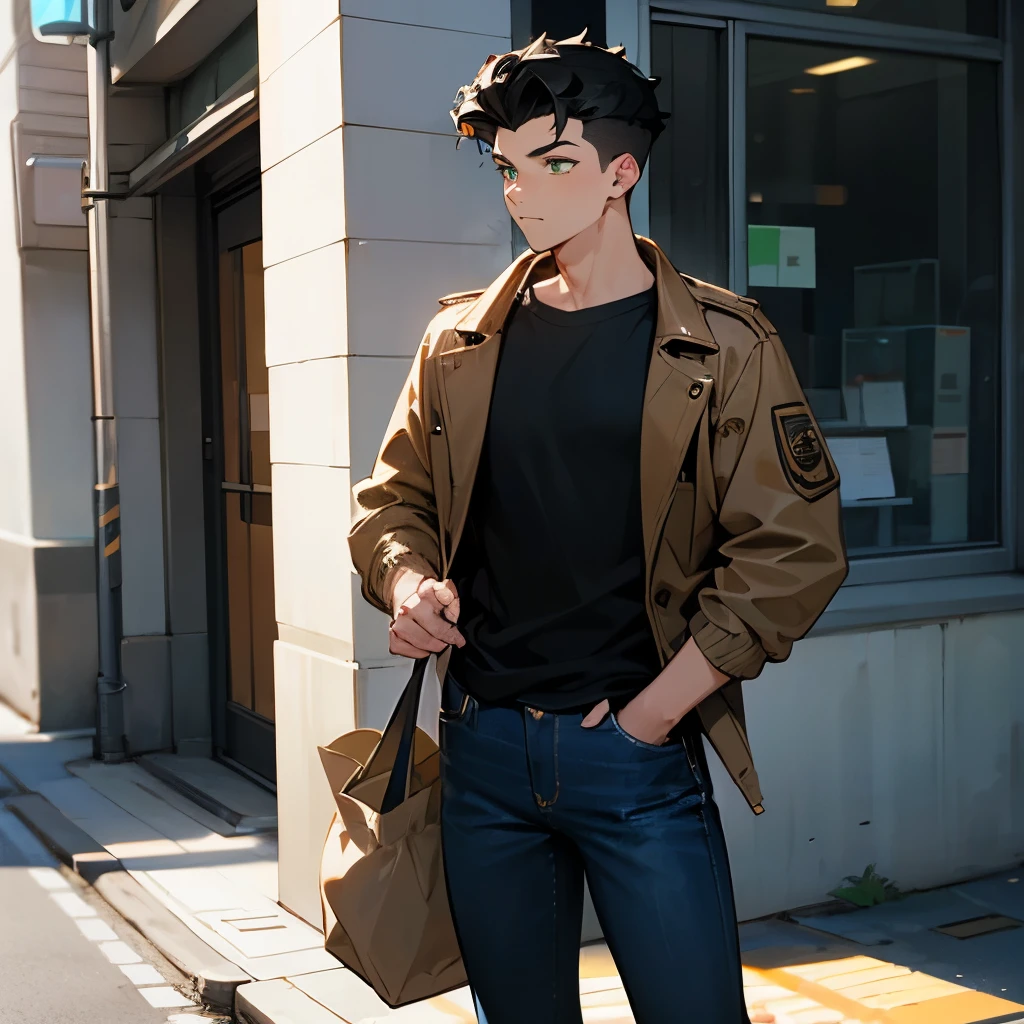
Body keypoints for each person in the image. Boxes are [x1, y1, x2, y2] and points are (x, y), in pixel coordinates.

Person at [348, 31, 848, 1024]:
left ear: (620, 173)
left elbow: (793, 549)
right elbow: (391, 503)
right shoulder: (457, 342)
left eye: (554, 162)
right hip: (482, 754)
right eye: (505, 168)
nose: (521, 192)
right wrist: (408, 585)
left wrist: (655, 714)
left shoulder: (725, 342)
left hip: (634, 756)